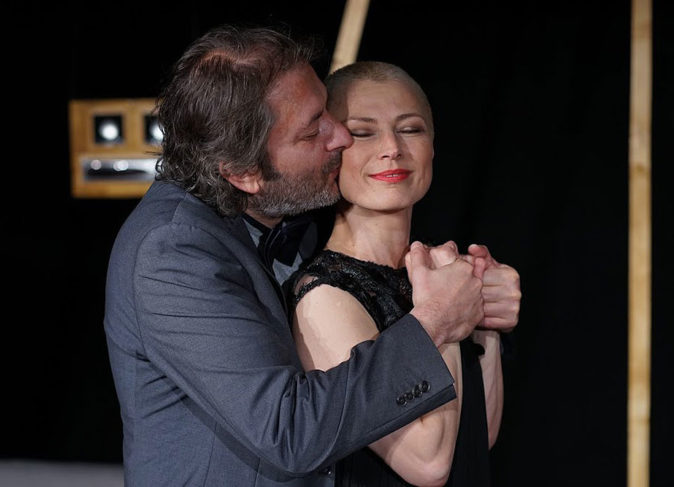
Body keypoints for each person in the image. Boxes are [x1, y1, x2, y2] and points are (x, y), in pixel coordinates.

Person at [104, 26, 511, 486]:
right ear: (244, 173)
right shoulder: (172, 252)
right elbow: (289, 430)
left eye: (326, 110)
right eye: (314, 129)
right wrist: (438, 320)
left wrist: (483, 312)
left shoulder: (291, 219)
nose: (340, 137)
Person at [289, 61, 520, 486]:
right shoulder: (325, 295)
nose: (392, 148)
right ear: (330, 148)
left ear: (433, 145)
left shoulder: (439, 273)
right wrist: (442, 313)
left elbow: (477, 436)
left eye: (410, 129)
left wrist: (483, 320)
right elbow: (428, 463)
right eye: (363, 132)